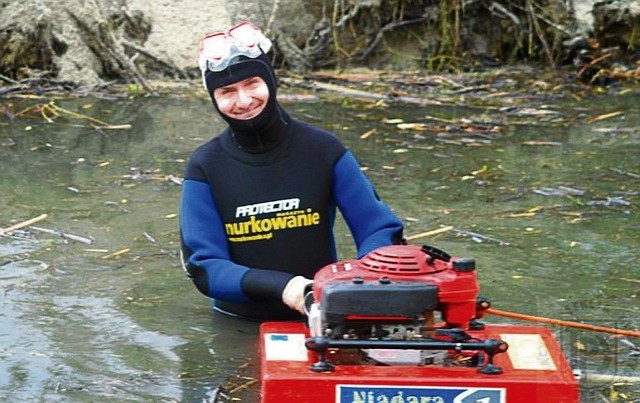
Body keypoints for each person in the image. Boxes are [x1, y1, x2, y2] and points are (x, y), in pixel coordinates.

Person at [179, 21, 404, 322]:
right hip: (237, 324)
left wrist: (361, 281)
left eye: (252, 84)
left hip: (323, 316)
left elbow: (380, 229)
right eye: (227, 91)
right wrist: (287, 287)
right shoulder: (205, 166)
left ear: (271, 80)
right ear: (214, 98)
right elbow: (204, 267)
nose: (243, 100)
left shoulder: (323, 150)